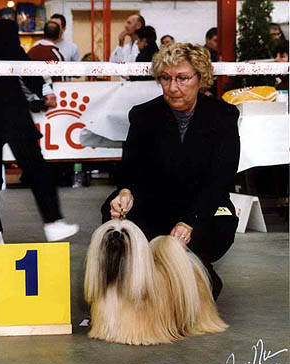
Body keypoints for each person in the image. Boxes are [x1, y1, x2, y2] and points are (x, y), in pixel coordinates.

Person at [102, 42, 240, 301]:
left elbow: (221, 179)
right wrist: (125, 192)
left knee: (214, 229)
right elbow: (130, 169)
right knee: (109, 210)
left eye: (182, 78)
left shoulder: (224, 116)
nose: (173, 87)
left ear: (201, 79)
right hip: (157, 207)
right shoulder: (143, 115)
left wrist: (190, 221)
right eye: (165, 78)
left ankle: (200, 274)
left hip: (204, 209)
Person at [0, 0, 79, 245]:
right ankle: (52, 222)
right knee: (35, 165)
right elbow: (22, 64)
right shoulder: (5, 28)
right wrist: (43, 90)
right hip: (9, 106)